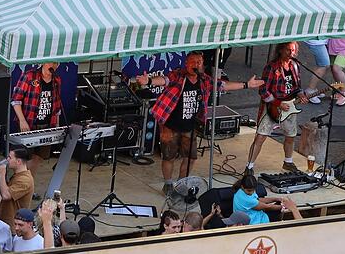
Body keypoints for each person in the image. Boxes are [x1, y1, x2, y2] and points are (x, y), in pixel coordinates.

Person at [137, 51, 262, 193]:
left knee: (190, 158)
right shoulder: (178, 76)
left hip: (190, 126)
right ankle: (168, 183)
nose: (196, 65)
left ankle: (181, 184)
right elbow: (164, 80)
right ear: (186, 63)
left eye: (199, 62)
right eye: (193, 62)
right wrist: (148, 81)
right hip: (170, 125)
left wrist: (246, 84)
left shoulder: (204, 80)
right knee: (169, 157)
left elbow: (222, 85)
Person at [246, 42, 305, 172]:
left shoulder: (295, 66)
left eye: (294, 50)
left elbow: (297, 87)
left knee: (290, 136)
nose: (292, 53)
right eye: (289, 50)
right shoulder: (271, 67)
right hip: (271, 108)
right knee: (260, 137)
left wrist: (301, 94)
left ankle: (288, 162)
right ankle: (249, 167)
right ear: (280, 50)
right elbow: (263, 90)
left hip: (290, 107)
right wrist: (278, 103)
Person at [11, 62, 63, 181]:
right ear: (44, 63)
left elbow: (57, 105)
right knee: (24, 158)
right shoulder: (29, 76)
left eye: (57, 63)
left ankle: (29, 184)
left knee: (38, 157)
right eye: (52, 62)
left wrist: (57, 126)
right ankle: (20, 184)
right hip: (29, 124)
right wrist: (22, 120)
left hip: (47, 125)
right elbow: (16, 100)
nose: (54, 65)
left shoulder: (57, 80)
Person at [0, 145, 34, 225]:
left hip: (13, 226)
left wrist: (2, 174)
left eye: (10, 158)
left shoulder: (25, 180)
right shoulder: (18, 175)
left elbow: (6, 195)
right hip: (6, 221)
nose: (7, 160)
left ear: (18, 161)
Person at [326, 38, 345, 106]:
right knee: (333, 69)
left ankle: (344, 92)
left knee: (336, 69)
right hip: (333, 46)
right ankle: (340, 90)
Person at [302, 40, 330, 104]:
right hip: (317, 42)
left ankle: (313, 89)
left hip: (319, 40)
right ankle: (310, 90)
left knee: (321, 65)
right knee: (324, 65)